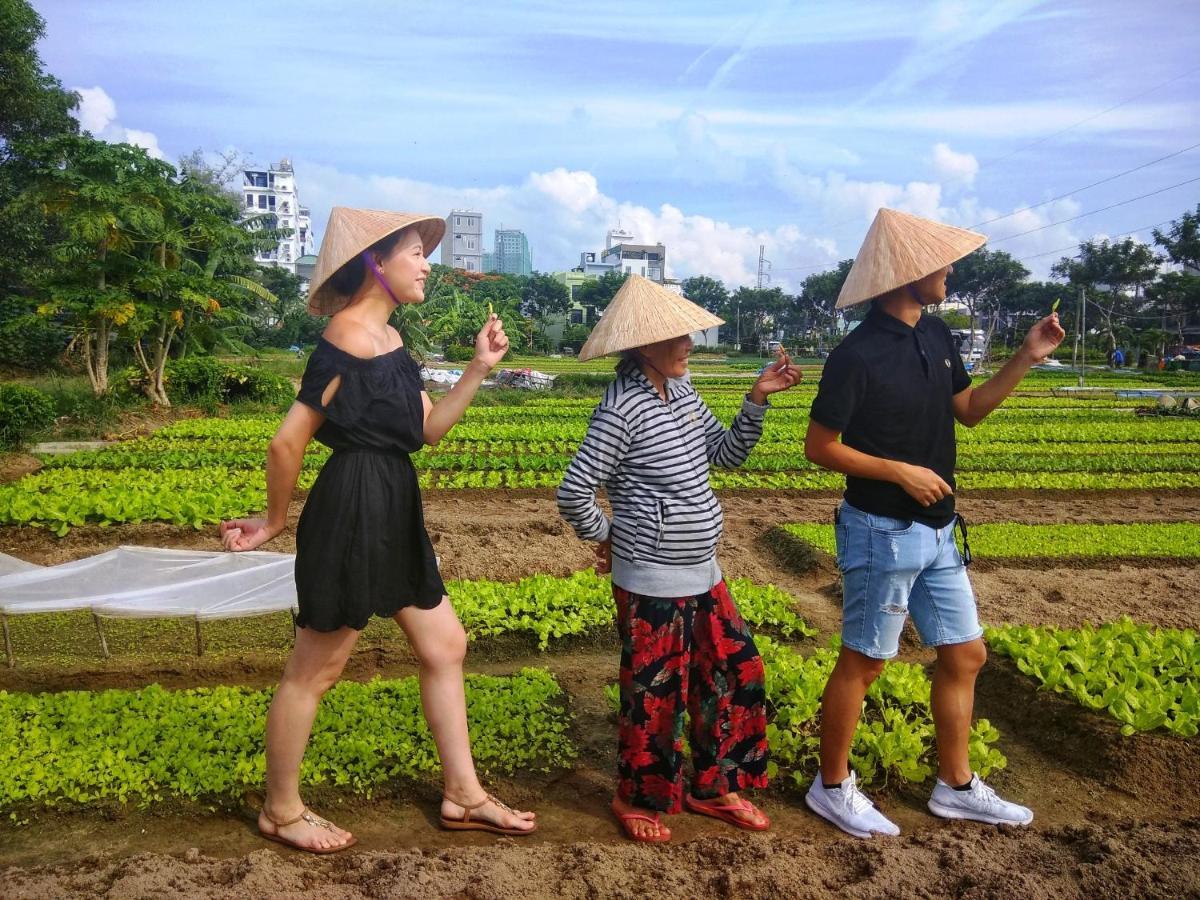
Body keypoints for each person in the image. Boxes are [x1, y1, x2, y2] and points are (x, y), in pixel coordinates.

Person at [220, 207, 536, 853]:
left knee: (445, 644)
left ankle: (463, 794)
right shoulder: (349, 335)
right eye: (416, 253)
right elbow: (288, 443)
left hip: (392, 503)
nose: (428, 265)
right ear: (375, 261)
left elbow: (427, 430)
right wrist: (275, 520)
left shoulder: (392, 343)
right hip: (353, 508)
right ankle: (280, 810)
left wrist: (478, 367)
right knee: (316, 669)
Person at [803, 208, 1065, 839]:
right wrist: (898, 470)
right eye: (941, 263)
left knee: (966, 654)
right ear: (908, 273)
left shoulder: (939, 335)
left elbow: (968, 411)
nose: (950, 271)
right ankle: (831, 786)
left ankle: (955, 786)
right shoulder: (855, 354)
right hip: (881, 528)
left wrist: (1027, 356)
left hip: (940, 530)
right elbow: (819, 446)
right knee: (865, 660)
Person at [556, 275, 802, 843]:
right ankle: (634, 796)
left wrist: (757, 398)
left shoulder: (684, 393)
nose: (691, 342)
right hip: (651, 579)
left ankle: (712, 788)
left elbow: (726, 454)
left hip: (703, 571)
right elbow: (574, 491)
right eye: (678, 335)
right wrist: (611, 537)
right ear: (644, 345)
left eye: (690, 332)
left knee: (736, 668)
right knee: (654, 693)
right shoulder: (622, 408)